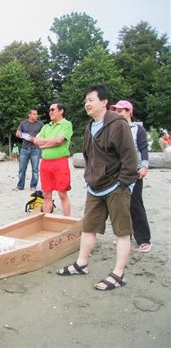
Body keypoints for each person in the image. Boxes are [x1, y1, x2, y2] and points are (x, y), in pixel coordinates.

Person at [57, 85, 138, 291]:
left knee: (122, 231)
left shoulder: (118, 125)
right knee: (88, 227)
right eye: (86, 100)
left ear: (104, 102)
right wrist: (89, 177)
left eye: (91, 99)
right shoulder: (88, 128)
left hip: (116, 187)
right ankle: (81, 264)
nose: (87, 104)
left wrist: (122, 183)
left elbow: (130, 158)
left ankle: (118, 274)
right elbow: (87, 156)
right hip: (94, 187)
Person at [111, 100, 152, 253]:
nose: (117, 113)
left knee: (135, 205)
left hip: (134, 172)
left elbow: (143, 148)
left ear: (129, 112)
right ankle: (124, 236)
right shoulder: (113, 129)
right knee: (121, 206)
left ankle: (143, 239)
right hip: (117, 173)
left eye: (120, 110)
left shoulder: (138, 129)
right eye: (115, 110)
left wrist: (144, 166)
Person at [33, 103, 73, 216]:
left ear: (61, 111)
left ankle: (66, 221)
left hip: (60, 162)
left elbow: (59, 140)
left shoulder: (66, 124)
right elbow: (36, 140)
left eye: (52, 109)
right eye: (49, 110)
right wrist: (52, 142)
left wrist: (44, 144)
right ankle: (47, 220)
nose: (50, 112)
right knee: (46, 194)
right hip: (45, 163)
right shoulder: (46, 126)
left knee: (62, 194)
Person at [15, 109, 44, 191]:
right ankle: (20, 186)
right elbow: (17, 133)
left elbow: (45, 134)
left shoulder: (40, 124)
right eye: (34, 114)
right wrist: (21, 135)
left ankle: (33, 186)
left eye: (36, 114)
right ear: (29, 115)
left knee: (35, 169)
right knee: (22, 169)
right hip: (24, 149)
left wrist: (36, 139)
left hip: (36, 149)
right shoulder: (23, 123)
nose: (36, 115)